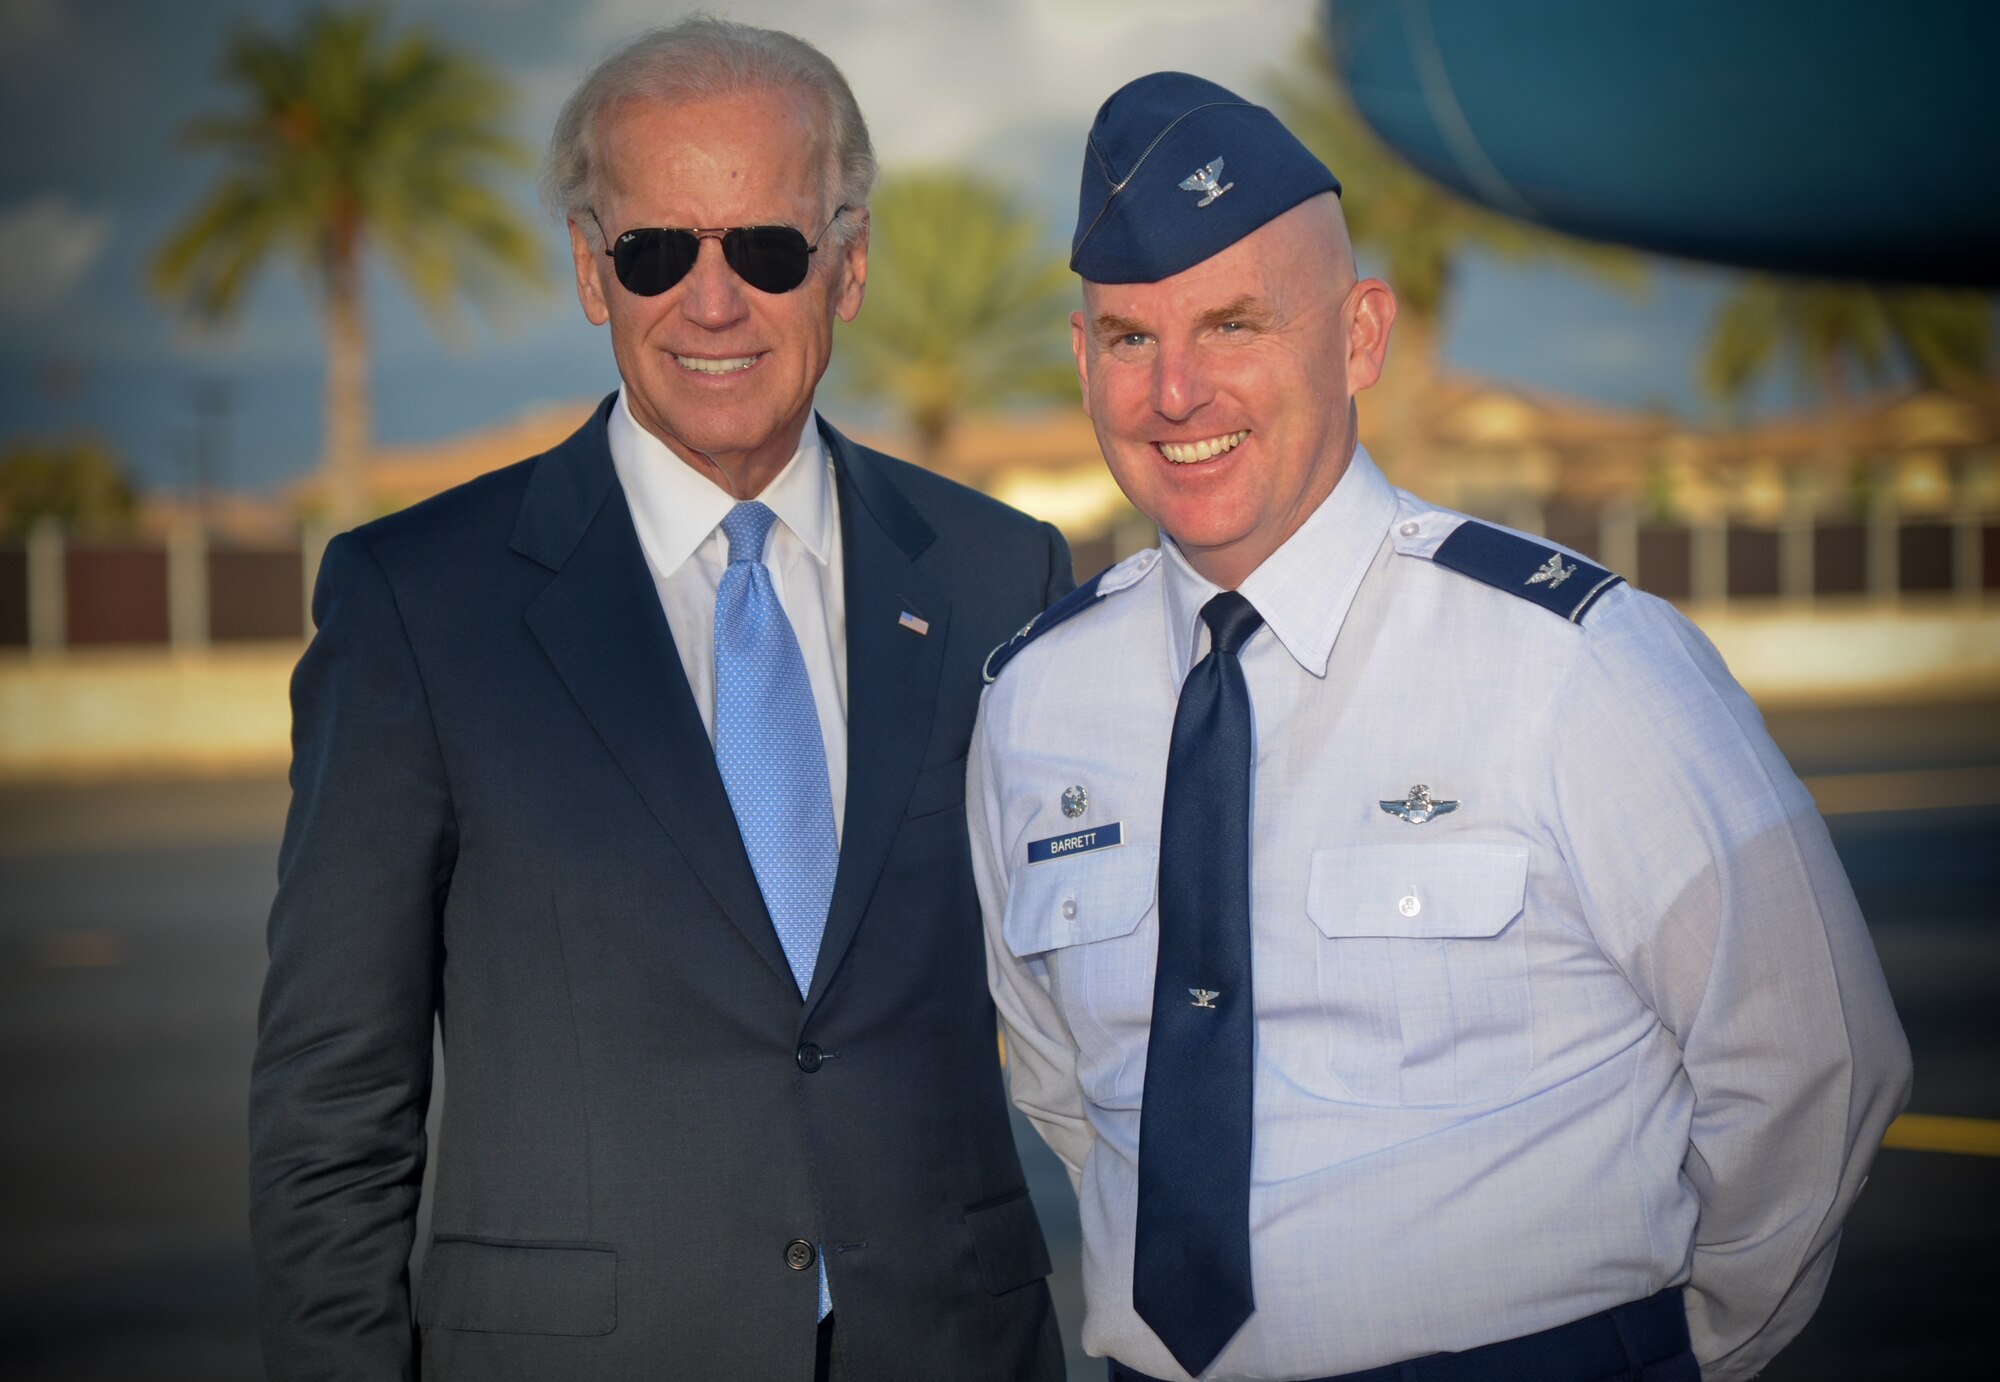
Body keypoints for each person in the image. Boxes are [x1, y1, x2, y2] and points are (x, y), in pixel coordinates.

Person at [974, 71, 1910, 1382]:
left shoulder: (1575, 661)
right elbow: (1072, 1093)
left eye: (1234, 323)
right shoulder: (1031, 702)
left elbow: (1817, 1061)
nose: (1175, 392)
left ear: (1360, 337)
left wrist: (1671, 1354)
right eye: (1131, 338)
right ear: (1083, 362)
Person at [250, 19, 1070, 1381]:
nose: (711, 300)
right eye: (653, 252)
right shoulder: (419, 604)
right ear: (590, 269)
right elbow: (336, 1101)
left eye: (764, 247)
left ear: (849, 263)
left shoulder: (1000, 574)